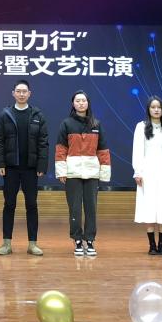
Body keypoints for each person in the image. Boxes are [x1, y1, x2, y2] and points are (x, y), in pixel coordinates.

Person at [0, 80, 49, 256]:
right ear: (13, 93)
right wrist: (0, 163)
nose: (22, 94)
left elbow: (43, 142)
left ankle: (32, 244)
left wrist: (41, 165)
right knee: (9, 204)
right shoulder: (5, 114)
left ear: (29, 94)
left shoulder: (37, 115)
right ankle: (6, 244)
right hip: (11, 168)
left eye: (25, 91)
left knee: (31, 205)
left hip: (31, 168)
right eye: (18, 91)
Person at [55, 90, 110, 257]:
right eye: (77, 100)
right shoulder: (66, 123)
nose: (80, 103)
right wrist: (61, 171)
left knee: (91, 208)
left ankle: (90, 240)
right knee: (75, 209)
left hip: (92, 172)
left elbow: (103, 150)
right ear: (73, 104)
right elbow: (61, 149)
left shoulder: (96, 124)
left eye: (83, 100)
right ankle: (77, 240)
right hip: (72, 172)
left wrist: (104, 172)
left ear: (88, 103)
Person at [132, 95, 162, 255]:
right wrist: (137, 172)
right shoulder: (141, 127)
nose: (156, 110)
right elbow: (137, 151)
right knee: (150, 205)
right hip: (148, 171)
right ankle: (152, 245)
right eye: (153, 107)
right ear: (148, 109)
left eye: (159, 107)